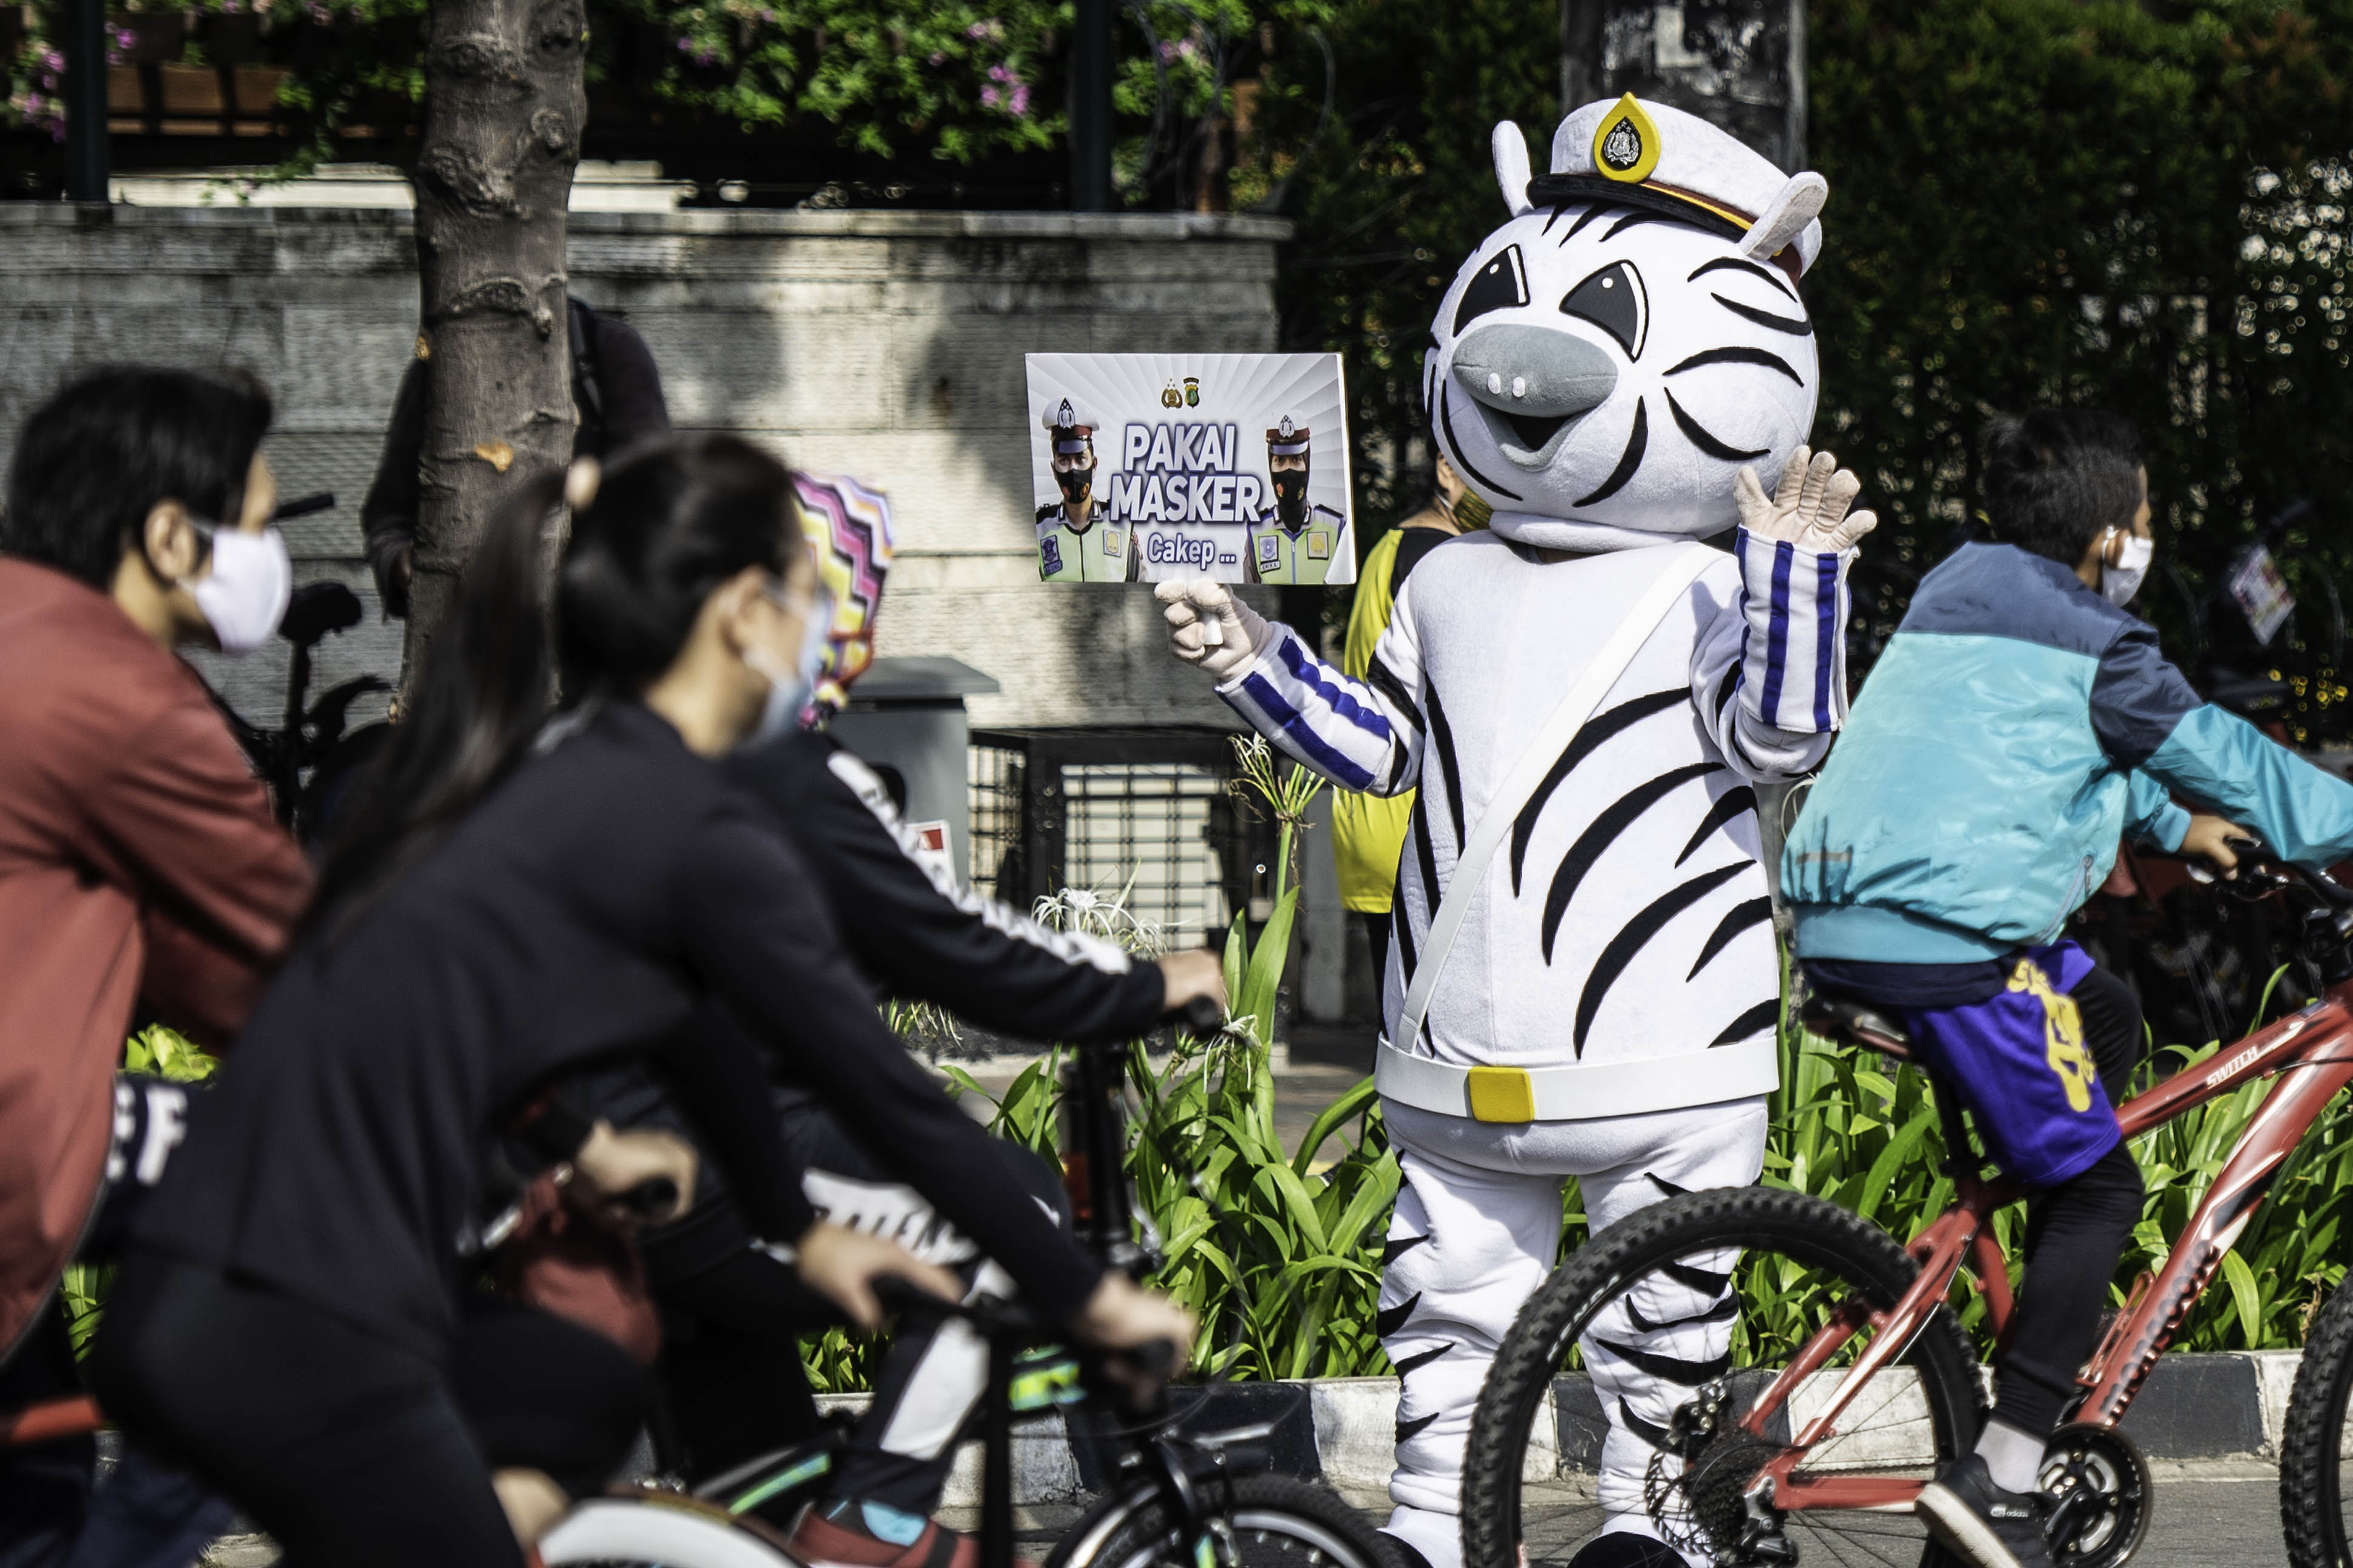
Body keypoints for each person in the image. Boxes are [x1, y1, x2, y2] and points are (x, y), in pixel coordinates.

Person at [89, 435, 1195, 1568]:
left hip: (226, 1274)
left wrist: (794, 1223)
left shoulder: (571, 760)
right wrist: (1090, 1297)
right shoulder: (699, 826)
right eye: (811, 593)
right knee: (549, 1424)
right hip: (301, 1311)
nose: (832, 626)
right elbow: (885, 1089)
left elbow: (686, 1025)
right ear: (741, 614)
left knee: (577, 1396)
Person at [604, 473, 1225, 1568]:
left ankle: (844, 1528)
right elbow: (966, 950)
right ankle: (881, 1517)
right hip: (705, 1154)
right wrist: (1142, 984)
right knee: (1014, 1209)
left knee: (753, 1509)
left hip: (599, 1155)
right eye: (829, 597)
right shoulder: (786, 772)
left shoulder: (626, 745)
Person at [1780, 409, 2353, 1568]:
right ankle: (1999, 1471)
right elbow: (2240, 763)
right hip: (1952, 942)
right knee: (2102, 1193)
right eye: (2144, 517)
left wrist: (2182, 830)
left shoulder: (1958, 593)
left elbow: (2036, 750)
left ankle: (2036, 1290)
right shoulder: (2103, 644)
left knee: (2110, 1015)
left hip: (1847, 913)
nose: (2150, 535)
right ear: (2104, 538)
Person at [0, 366, 313, 1568]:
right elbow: (292, 963)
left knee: (33, 1486)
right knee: (310, 1164)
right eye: (260, 522)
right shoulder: (120, 692)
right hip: (18, 1135)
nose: (269, 554)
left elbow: (207, 962)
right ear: (172, 536)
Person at [362, 296, 670, 617]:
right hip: (471, 634)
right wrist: (404, 565)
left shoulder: (608, 350)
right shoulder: (436, 371)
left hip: (592, 636)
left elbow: (655, 502)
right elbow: (387, 518)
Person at [1331, 456, 1486, 982]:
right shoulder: (1437, 554)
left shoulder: (1390, 548)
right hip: (1415, 824)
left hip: (1371, 813)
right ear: (1446, 468)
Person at [1035, 400, 1138, 583]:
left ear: (1094, 465)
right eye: (1064, 461)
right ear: (1054, 470)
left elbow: (1141, 593)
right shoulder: (1039, 527)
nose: (1073, 469)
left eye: (1081, 459)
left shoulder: (1121, 522)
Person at [1243, 418, 1348, 586]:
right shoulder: (1256, 531)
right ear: (1270, 466)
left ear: (1308, 462)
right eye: (1280, 461)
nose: (1288, 471)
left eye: (1296, 460)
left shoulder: (1336, 528)